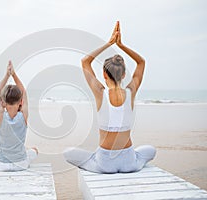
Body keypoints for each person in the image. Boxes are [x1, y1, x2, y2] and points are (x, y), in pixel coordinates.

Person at [63, 21, 156, 173]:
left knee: (68, 152)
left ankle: (95, 160)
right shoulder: (130, 92)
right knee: (150, 150)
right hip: (129, 161)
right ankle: (135, 162)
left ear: (104, 74)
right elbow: (141, 62)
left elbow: (85, 61)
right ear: (124, 74)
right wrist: (121, 45)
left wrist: (109, 43)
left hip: (105, 163)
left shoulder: (100, 92)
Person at [0, 60, 38, 171]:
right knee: (34, 149)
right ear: (21, 101)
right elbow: (24, 92)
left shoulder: (1, 115)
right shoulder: (23, 116)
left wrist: (7, 75)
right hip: (21, 164)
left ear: (3, 103)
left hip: (2, 165)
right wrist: (14, 75)